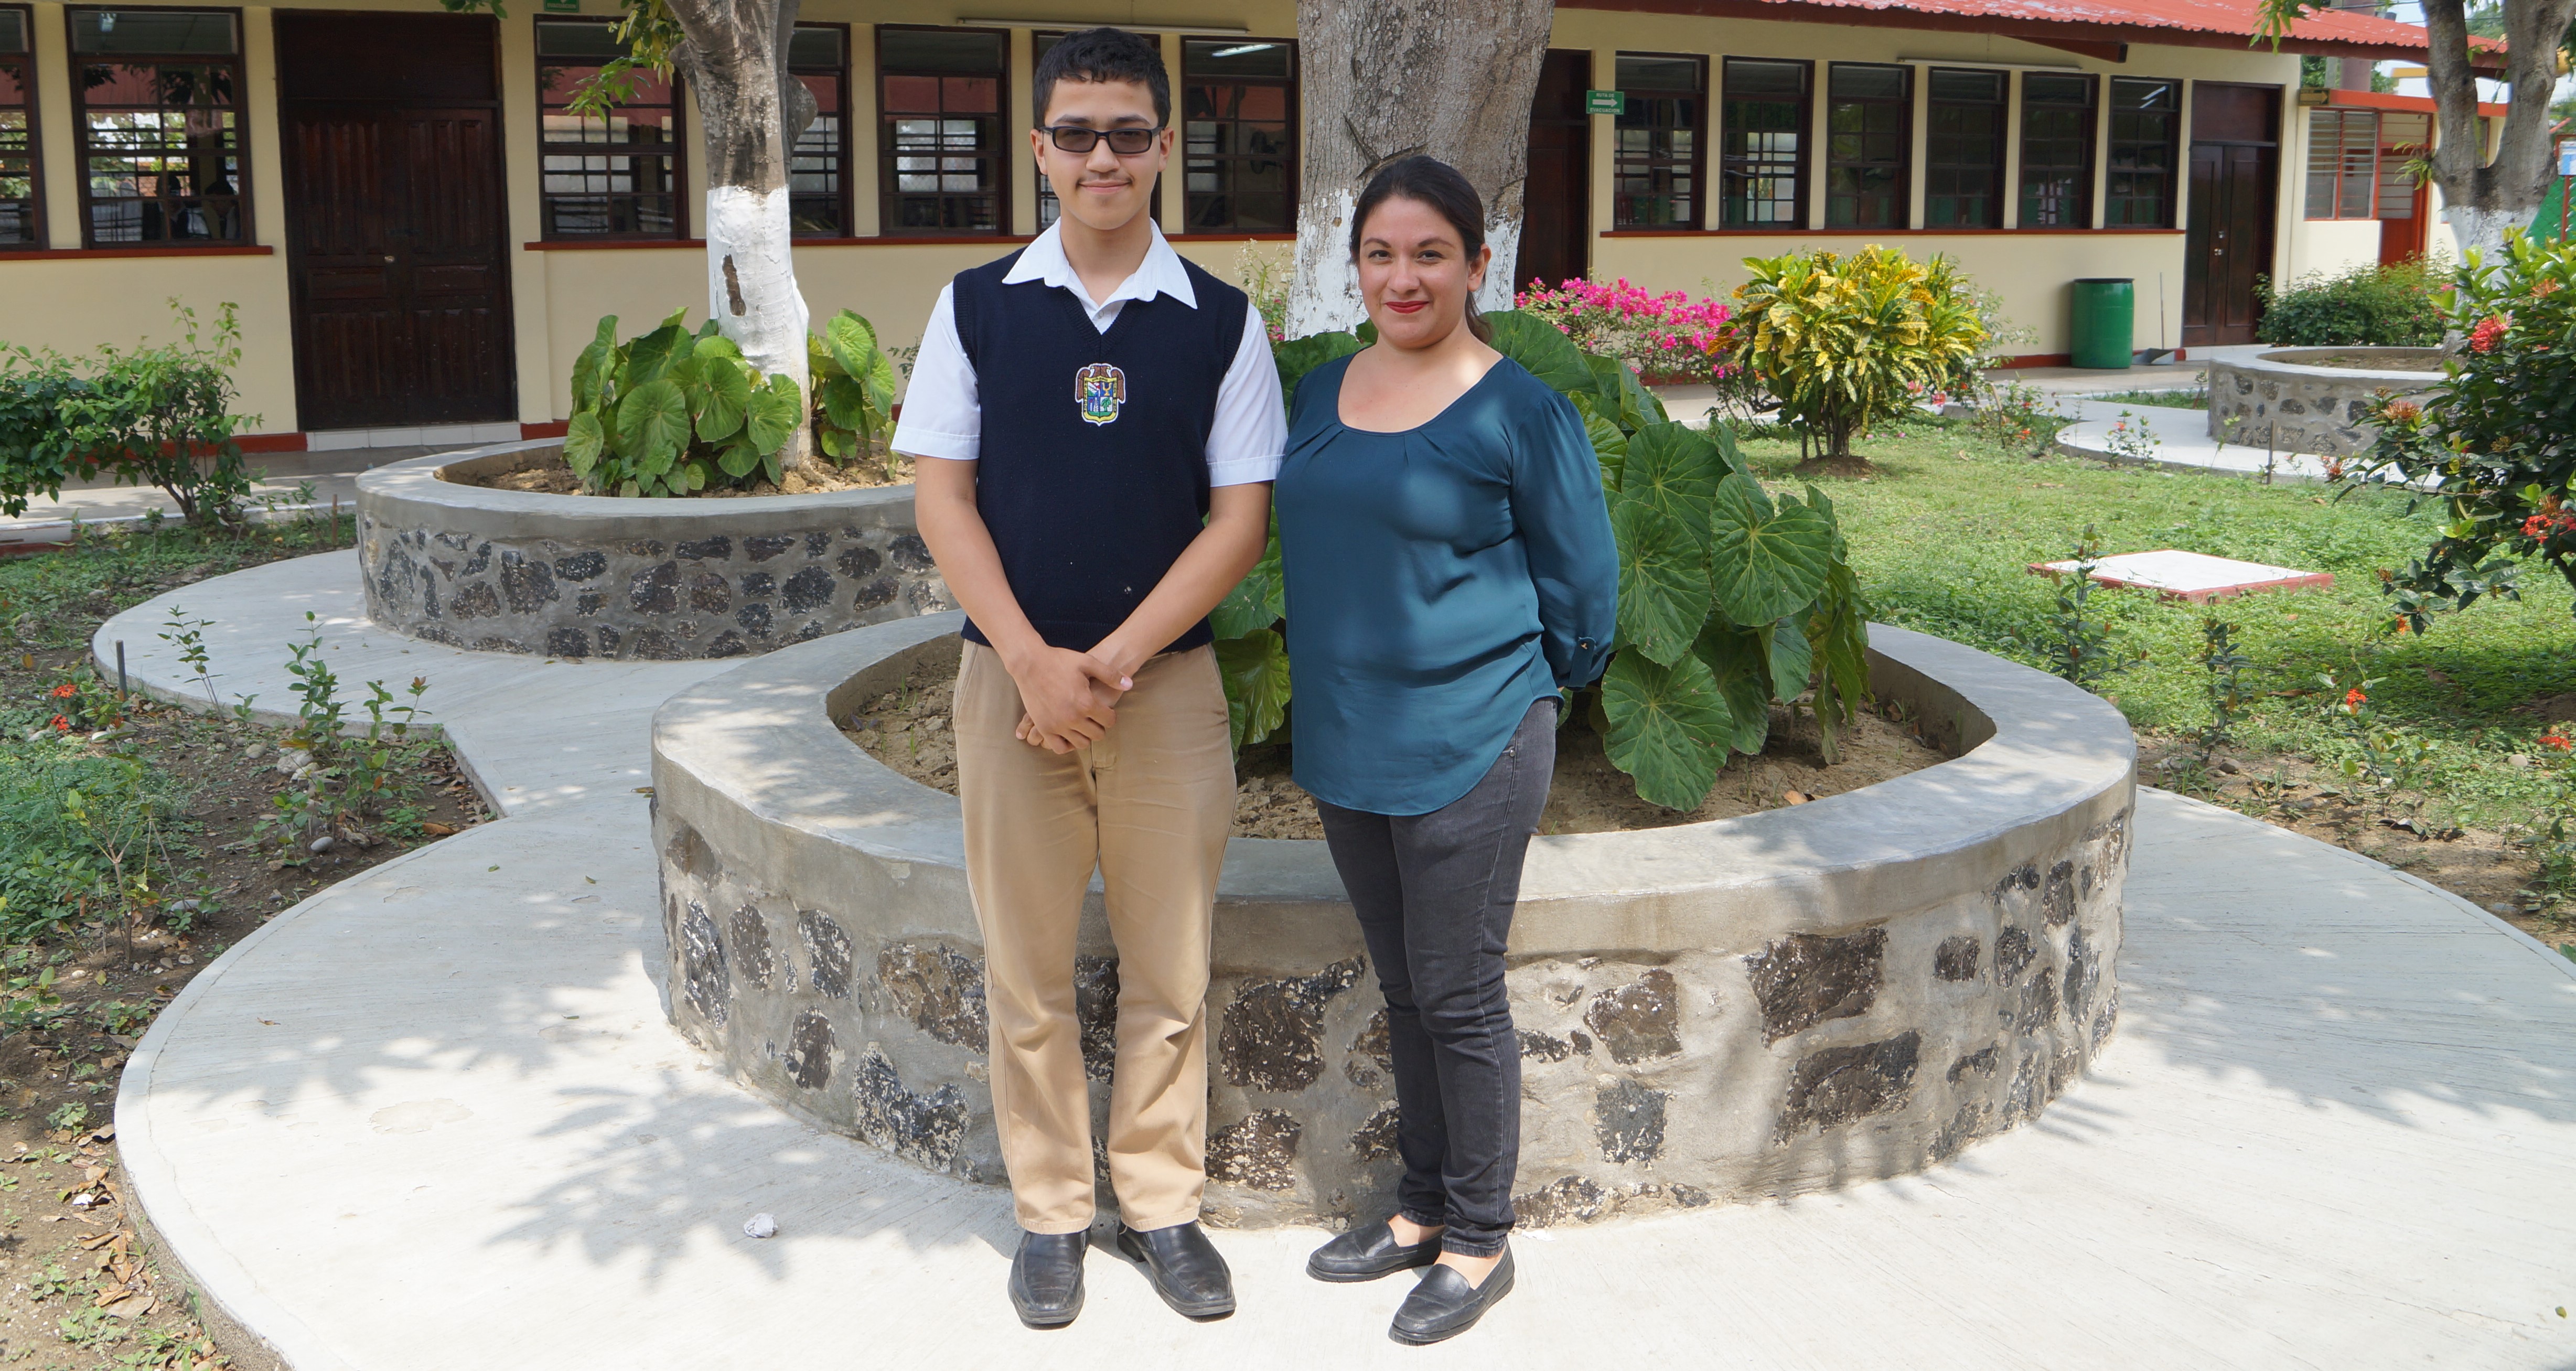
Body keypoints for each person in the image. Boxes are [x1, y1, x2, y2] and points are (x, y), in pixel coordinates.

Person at [893, 26, 1284, 1331]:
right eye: (1076, 133)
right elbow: (941, 498)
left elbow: (1237, 521)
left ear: (1165, 146)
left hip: (1162, 692)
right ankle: (1053, 1211)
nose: (1101, 156)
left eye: (1127, 132)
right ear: (1040, 150)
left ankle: (1161, 1206)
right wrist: (1028, 661)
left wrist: (1107, 664)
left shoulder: (1221, 322)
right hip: (1008, 687)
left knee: (1172, 968)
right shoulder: (976, 307)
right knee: (1028, 969)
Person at [1274, 156, 1617, 1346]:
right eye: (1381, 253)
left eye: (1430, 254)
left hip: (1475, 732)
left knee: (1461, 992)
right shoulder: (1318, 393)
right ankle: (1418, 1209)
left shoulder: (1519, 407)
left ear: (1478, 265)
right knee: (1407, 985)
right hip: (1348, 740)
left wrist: (1529, 688)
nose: (1402, 276)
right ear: (1353, 264)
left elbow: (1585, 589)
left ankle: (1479, 1235)